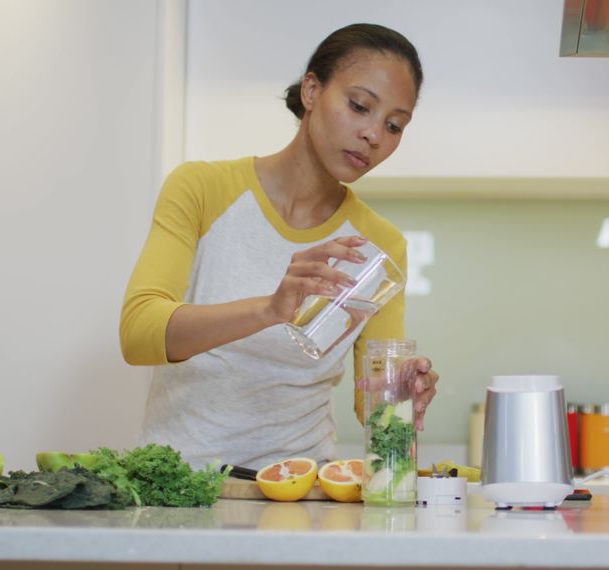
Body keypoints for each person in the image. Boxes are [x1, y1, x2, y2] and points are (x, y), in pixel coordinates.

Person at [119, 23, 439, 470]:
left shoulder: (381, 243)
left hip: (299, 490)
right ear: (311, 90)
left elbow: (374, 410)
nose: (374, 135)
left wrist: (401, 394)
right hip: (180, 483)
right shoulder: (202, 188)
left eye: (393, 125)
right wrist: (269, 310)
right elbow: (139, 333)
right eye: (359, 106)